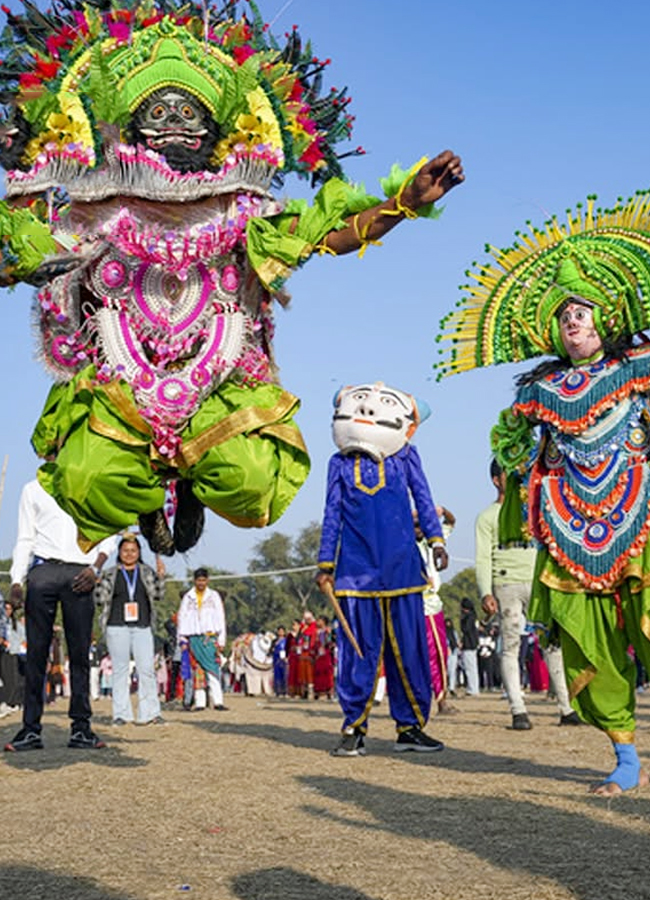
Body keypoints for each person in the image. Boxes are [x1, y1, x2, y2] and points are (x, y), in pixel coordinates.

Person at [0, 1, 464, 560]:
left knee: (251, 483)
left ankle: (193, 477)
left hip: (218, 381)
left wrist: (403, 203)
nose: (173, 121)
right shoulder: (93, 211)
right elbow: (24, 244)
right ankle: (149, 482)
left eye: (189, 113)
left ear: (217, 130)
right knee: (88, 483)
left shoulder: (244, 214)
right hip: (122, 382)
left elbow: (327, 232)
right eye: (158, 110)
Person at [438, 192, 650, 794]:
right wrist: (524, 457)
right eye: (563, 315)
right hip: (569, 535)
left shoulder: (638, 368)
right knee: (590, 649)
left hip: (642, 521)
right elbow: (511, 450)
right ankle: (626, 760)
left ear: (607, 317)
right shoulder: (542, 390)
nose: (573, 321)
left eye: (583, 310)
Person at [317, 381, 448, 756]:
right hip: (355, 574)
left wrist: (436, 541)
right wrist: (325, 563)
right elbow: (332, 514)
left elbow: (423, 498)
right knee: (359, 653)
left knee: (409, 651)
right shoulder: (339, 463)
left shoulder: (406, 456)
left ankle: (410, 728)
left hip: (403, 570)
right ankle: (353, 727)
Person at [4, 479, 116, 752]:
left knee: (79, 654)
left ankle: (81, 728)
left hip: (82, 571)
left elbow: (108, 526)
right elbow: (25, 537)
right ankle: (30, 729)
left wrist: (97, 567)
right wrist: (17, 580)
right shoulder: (32, 488)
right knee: (36, 655)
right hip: (43, 571)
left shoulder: (91, 479)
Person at [475, 459, 579, 730]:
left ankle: (567, 708)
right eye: (511, 474)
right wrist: (486, 592)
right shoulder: (487, 517)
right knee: (511, 646)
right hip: (506, 584)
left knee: (551, 642)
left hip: (538, 581)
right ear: (497, 480)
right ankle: (518, 710)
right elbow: (483, 558)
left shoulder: (534, 509)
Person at [95, 533, 166, 726]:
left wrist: (161, 576)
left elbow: (159, 595)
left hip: (142, 626)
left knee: (147, 670)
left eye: (133, 550)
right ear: (119, 552)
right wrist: (97, 584)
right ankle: (121, 714)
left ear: (139, 552)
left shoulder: (146, 571)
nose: (129, 554)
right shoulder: (110, 573)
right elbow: (99, 600)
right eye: (125, 550)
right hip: (116, 626)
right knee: (120, 671)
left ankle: (150, 713)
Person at [415, 507, 458, 714]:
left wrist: (439, 510)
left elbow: (451, 521)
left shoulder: (432, 542)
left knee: (439, 653)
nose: (418, 529)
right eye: (414, 525)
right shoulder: (402, 544)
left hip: (431, 605)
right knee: (415, 655)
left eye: (420, 526)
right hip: (413, 604)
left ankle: (441, 700)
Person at [177, 569, 227, 711]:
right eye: (198, 580)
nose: (201, 583)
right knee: (198, 670)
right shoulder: (188, 597)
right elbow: (182, 618)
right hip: (194, 639)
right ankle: (200, 702)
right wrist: (181, 639)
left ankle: (217, 701)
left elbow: (220, 617)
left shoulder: (214, 596)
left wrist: (222, 640)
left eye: (203, 580)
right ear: (194, 580)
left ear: (207, 580)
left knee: (213, 669)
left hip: (209, 638)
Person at [459, 598, 480, 695]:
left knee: (469, 667)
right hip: (473, 644)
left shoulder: (468, 617)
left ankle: (472, 689)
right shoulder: (474, 616)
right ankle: (474, 687)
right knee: (473, 667)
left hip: (469, 645)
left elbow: (465, 629)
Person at [272, 626, 288, 698]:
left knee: (285, 675)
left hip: (284, 660)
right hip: (276, 660)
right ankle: (278, 691)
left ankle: (285, 691)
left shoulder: (287, 640)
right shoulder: (275, 641)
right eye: (279, 631)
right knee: (277, 675)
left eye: (282, 631)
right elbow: (271, 650)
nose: (280, 632)